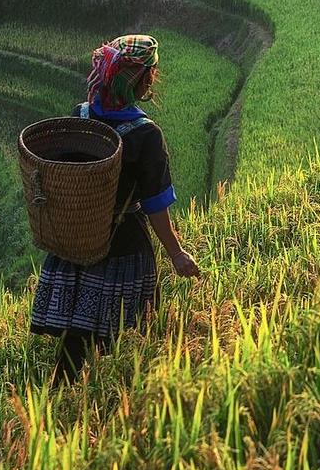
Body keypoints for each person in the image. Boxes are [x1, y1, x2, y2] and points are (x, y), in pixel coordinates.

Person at [30, 34, 200, 383]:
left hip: (78, 236)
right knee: (130, 327)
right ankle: (116, 395)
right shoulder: (145, 134)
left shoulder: (81, 116)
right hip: (122, 242)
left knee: (78, 333)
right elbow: (155, 206)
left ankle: (63, 397)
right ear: (143, 80)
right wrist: (177, 254)